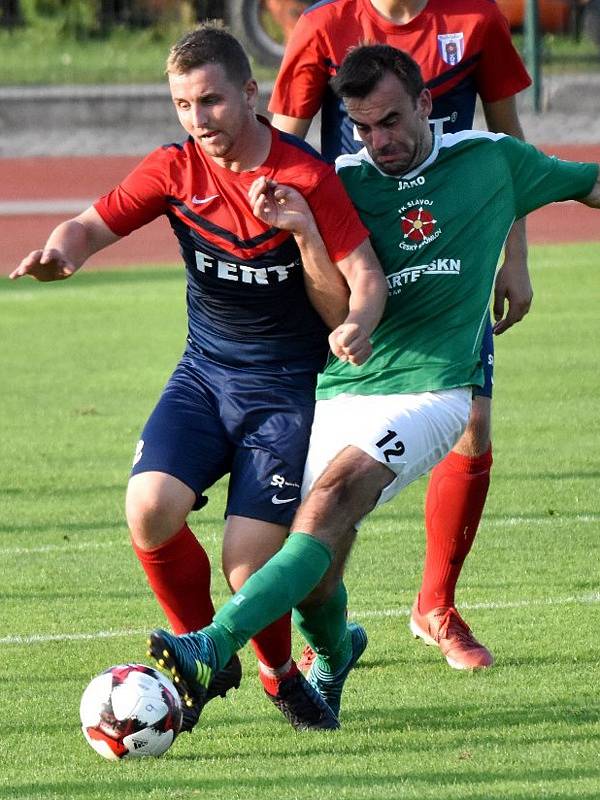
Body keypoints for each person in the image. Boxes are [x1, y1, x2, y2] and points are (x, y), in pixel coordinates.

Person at [146, 44, 600, 724]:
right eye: (362, 126)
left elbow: (588, 181)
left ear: (425, 104)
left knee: (331, 497)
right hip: (342, 389)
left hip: (434, 391)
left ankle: (211, 646)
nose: (378, 140)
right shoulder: (341, 181)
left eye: (390, 120)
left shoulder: (491, 162)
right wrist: (299, 234)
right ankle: (334, 653)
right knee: (311, 561)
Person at [9, 26, 388, 732]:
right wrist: (62, 252)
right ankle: (204, 657)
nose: (197, 119)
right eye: (183, 104)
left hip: (285, 391)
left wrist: (353, 312)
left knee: (249, 567)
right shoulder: (175, 168)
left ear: (250, 93)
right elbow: (90, 225)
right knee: (149, 509)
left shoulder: (305, 177)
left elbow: (361, 278)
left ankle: (279, 676)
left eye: (211, 101)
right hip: (205, 376)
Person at [269, 0, 534, 671]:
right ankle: (324, 635)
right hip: (347, 262)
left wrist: (517, 257)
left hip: (444, 251)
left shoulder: (476, 19)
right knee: (319, 470)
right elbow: (278, 149)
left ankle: (436, 605)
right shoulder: (324, 28)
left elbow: (511, 145)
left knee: (473, 420)